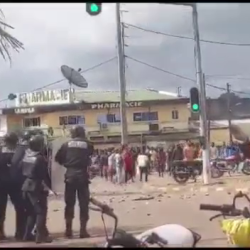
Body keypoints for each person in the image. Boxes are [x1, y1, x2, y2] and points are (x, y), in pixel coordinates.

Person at [55, 125, 93, 239]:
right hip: (82, 175)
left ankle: (68, 231)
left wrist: (68, 163)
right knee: (83, 204)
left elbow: (58, 158)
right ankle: (83, 231)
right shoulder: (88, 144)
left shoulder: (66, 145)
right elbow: (89, 156)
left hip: (70, 176)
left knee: (69, 203)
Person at [21, 135, 52, 243]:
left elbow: (20, 168)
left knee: (31, 212)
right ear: (39, 145)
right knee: (41, 212)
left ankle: (27, 235)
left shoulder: (26, 155)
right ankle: (40, 236)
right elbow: (44, 175)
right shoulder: (40, 158)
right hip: (36, 187)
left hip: (26, 186)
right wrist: (51, 187)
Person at [0, 132, 25, 240]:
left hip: (1, 183)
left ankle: (0, 233)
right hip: (17, 184)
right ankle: (20, 233)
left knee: (0, 208)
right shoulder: (21, 152)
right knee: (20, 208)